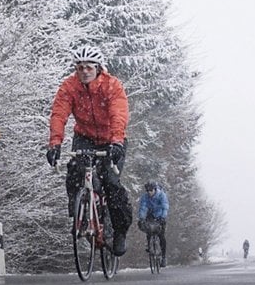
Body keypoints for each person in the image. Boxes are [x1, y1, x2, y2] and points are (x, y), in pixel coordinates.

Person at [45, 45, 132, 256]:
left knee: (111, 183)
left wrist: (117, 142)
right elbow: (59, 115)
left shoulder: (112, 86)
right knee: (75, 170)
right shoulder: (69, 87)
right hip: (84, 137)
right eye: (80, 67)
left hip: (112, 137)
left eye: (89, 67)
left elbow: (118, 114)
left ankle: (119, 231)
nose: (84, 71)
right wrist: (55, 144)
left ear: (98, 68)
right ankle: (77, 213)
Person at [137, 180, 169, 266]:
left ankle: (163, 257)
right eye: (147, 191)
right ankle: (149, 245)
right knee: (149, 229)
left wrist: (163, 217)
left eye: (151, 190)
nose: (149, 192)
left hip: (160, 215)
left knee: (161, 235)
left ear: (155, 189)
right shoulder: (145, 197)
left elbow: (165, 207)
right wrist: (141, 218)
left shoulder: (162, 195)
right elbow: (143, 207)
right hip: (150, 215)